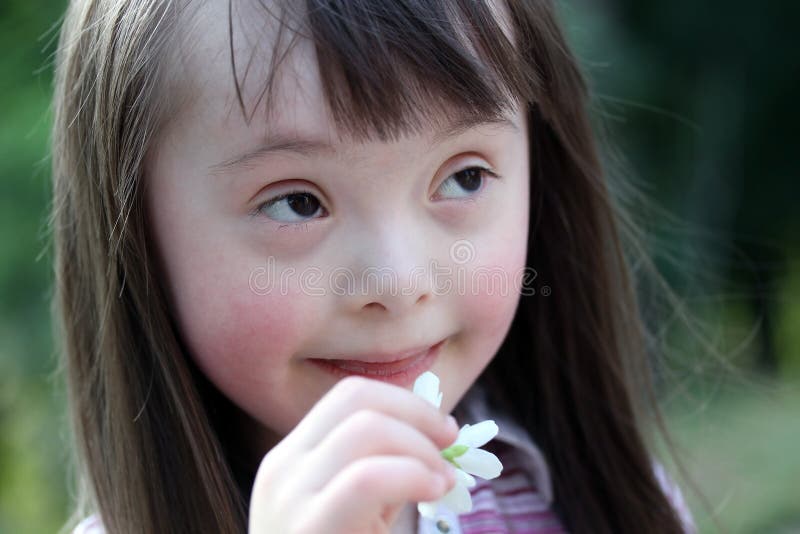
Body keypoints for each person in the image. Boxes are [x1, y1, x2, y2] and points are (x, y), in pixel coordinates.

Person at [50, 0, 696, 532]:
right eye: (297, 202)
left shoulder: (603, 505)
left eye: (465, 177)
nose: (399, 283)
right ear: (135, 232)